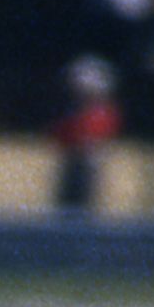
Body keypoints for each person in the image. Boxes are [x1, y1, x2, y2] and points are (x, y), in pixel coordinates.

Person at [50, 57, 120, 215]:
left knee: (83, 205)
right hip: (72, 161)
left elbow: (97, 136)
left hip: (89, 163)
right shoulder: (73, 113)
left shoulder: (102, 113)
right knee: (65, 205)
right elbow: (60, 136)